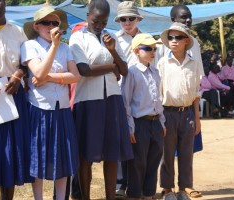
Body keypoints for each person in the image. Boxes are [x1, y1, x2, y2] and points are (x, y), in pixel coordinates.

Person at [69, 0, 133, 199]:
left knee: (112, 152)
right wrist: (111, 67)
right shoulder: (77, 38)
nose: (99, 25)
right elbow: (84, 70)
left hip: (112, 99)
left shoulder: (111, 37)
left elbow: (124, 71)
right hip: (88, 100)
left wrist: (113, 50)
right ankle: (85, 196)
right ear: (88, 15)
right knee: (86, 154)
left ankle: (110, 196)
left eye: (103, 21)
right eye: (96, 20)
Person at [20, 6, 80, 200]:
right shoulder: (30, 46)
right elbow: (38, 73)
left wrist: (50, 77)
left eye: (55, 23)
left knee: (62, 158)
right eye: (46, 22)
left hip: (61, 109)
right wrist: (53, 47)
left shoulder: (66, 47)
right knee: (38, 159)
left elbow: (75, 76)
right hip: (39, 108)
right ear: (36, 26)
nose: (51, 26)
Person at [0, 0, 33, 199]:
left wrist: (18, 76)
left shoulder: (17, 32)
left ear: (5, 2)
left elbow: (27, 63)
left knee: (11, 151)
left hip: (13, 94)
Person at [158, 22, 201, 200]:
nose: (173, 41)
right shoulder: (162, 63)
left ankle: (184, 188)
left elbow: (196, 93)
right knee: (167, 153)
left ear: (186, 41)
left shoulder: (194, 64)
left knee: (186, 153)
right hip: (167, 112)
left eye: (178, 37)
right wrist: (160, 118)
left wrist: (197, 119)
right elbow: (157, 92)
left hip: (188, 113)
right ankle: (168, 189)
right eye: (170, 37)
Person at [121, 33, 165, 200]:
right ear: (137, 51)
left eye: (154, 48)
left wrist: (162, 122)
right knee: (138, 163)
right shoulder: (131, 72)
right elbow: (126, 101)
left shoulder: (155, 71)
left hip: (155, 123)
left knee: (153, 163)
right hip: (139, 123)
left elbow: (158, 99)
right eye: (148, 48)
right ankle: (133, 195)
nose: (152, 51)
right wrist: (130, 127)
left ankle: (148, 195)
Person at [113, 1, 144, 197]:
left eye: (131, 18)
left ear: (138, 19)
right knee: (118, 139)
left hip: (140, 96)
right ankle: (119, 181)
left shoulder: (147, 40)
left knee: (138, 140)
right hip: (118, 94)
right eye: (123, 19)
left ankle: (135, 182)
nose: (127, 22)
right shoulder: (113, 40)